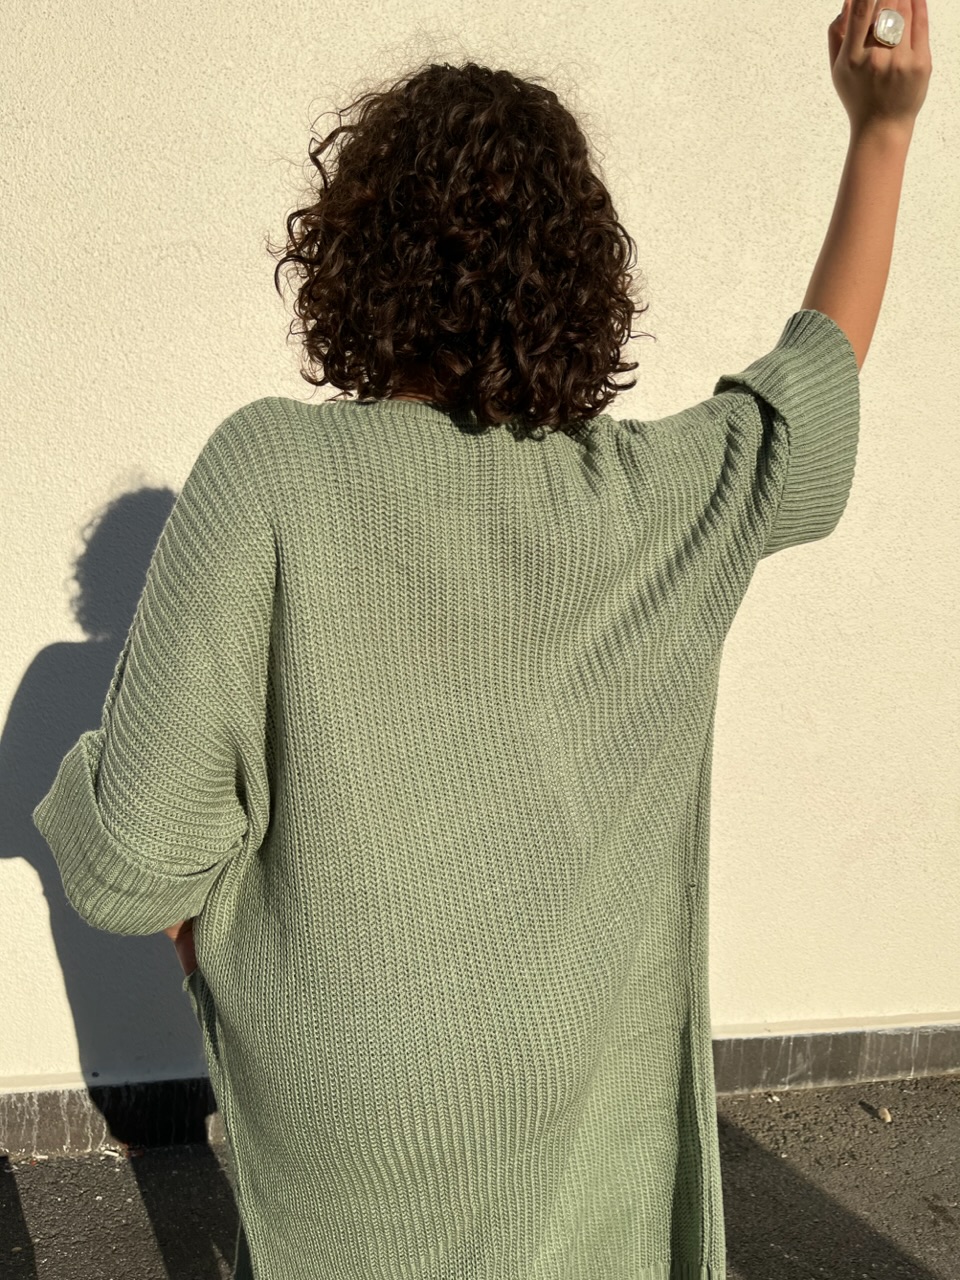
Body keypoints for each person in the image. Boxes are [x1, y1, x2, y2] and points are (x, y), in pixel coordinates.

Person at [34, 3, 932, 1277]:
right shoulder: (654, 497)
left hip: (351, 1120)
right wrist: (882, 134)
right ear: (581, 277)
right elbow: (813, 386)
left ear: (353, 258)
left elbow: (134, 861)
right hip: (577, 1106)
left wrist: (197, 909)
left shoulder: (269, 472)